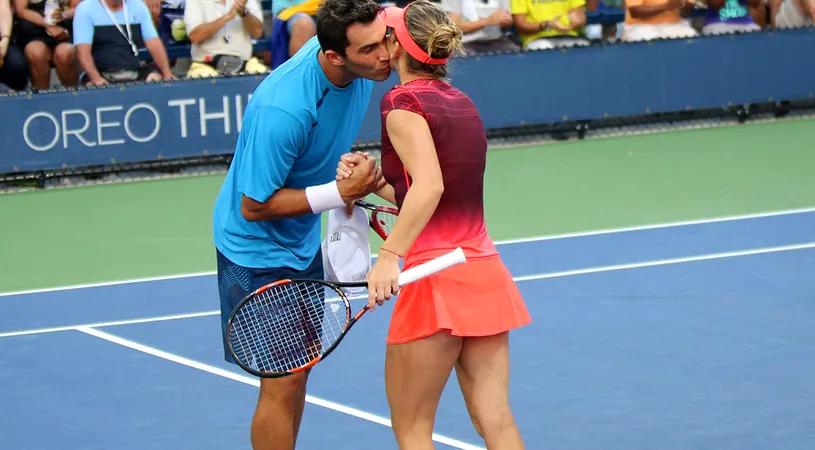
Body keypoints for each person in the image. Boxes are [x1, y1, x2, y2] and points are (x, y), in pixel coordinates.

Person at [337, 1, 531, 448]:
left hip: (433, 281)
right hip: (482, 272)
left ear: (397, 46)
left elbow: (429, 188)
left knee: (412, 428)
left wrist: (388, 257)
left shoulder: (400, 102)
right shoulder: (461, 103)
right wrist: (371, 185)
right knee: (495, 419)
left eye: (385, 35)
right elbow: (424, 192)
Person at [210, 0, 393, 449]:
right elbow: (253, 205)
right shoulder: (284, 109)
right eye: (370, 50)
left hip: (301, 238)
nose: (385, 55)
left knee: (300, 368)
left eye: (384, 39)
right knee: (282, 380)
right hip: (255, 250)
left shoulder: (359, 60)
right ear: (334, 56)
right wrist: (341, 194)